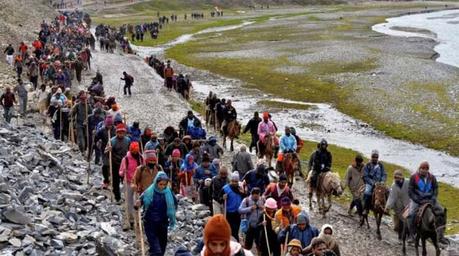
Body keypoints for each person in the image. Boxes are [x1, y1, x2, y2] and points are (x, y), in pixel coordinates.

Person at [136, 171, 177, 256]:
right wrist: (138, 203)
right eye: (160, 184)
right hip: (150, 223)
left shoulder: (169, 193)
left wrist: (171, 213)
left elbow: (174, 204)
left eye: (164, 185)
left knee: (162, 248)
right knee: (156, 250)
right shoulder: (149, 192)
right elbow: (140, 201)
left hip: (163, 223)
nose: (162, 187)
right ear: (156, 182)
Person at [407, 161, 447, 244]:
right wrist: (418, 200)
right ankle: (412, 235)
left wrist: (433, 198)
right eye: (423, 168)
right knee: (411, 214)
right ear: (419, 168)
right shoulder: (414, 177)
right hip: (417, 200)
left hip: (430, 199)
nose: (424, 170)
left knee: (442, 211)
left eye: (426, 169)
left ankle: (441, 235)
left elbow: (435, 189)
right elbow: (410, 192)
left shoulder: (432, 178)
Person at [119, 141, 143, 230]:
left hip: (137, 182)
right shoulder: (126, 159)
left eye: (137, 151)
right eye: (134, 151)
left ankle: (138, 219)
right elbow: (120, 172)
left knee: (137, 201)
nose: (136, 152)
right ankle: (131, 219)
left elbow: (143, 168)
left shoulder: (140, 158)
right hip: (129, 181)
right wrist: (123, 172)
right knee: (129, 201)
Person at [106, 124, 131, 202]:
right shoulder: (112, 141)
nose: (121, 134)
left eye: (122, 132)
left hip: (124, 163)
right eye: (119, 133)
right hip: (115, 163)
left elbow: (130, 151)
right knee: (115, 181)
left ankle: (127, 196)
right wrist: (108, 150)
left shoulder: (127, 140)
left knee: (126, 180)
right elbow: (106, 152)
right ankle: (117, 197)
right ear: (116, 133)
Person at [385, 170, 410, 240]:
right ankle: (400, 237)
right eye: (395, 177)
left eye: (398, 177)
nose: (397, 179)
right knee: (399, 223)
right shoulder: (394, 185)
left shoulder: (408, 182)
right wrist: (388, 207)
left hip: (408, 205)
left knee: (408, 221)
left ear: (402, 177)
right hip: (398, 207)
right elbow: (392, 197)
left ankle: (409, 236)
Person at [221, 171, 245, 241]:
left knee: (236, 229)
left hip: (238, 212)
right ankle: (234, 241)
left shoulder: (240, 188)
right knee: (231, 229)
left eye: (236, 181)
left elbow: (245, 198)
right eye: (233, 181)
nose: (234, 183)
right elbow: (219, 199)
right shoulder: (225, 189)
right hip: (229, 212)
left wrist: (243, 193)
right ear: (230, 181)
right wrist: (223, 198)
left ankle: (234, 240)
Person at [362, 150, 386, 215]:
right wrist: (372, 182)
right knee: (367, 193)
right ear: (371, 157)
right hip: (370, 183)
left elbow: (384, 174)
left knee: (387, 191)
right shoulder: (368, 165)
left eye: (376, 157)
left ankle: (386, 208)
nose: (375, 158)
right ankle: (366, 209)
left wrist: (382, 181)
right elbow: (365, 176)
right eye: (373, 157)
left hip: (379, 183)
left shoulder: (381, 165)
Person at [95, 115, 115, 189]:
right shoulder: (102, 130)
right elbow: (96, 138)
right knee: (105, 165)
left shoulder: (115, 130)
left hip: (113, 150)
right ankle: (106, 181)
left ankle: (112, 180)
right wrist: (95, 139)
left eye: (110, 125)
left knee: (113, 165)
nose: (109, 126)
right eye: (108, 125)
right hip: (104, 150)